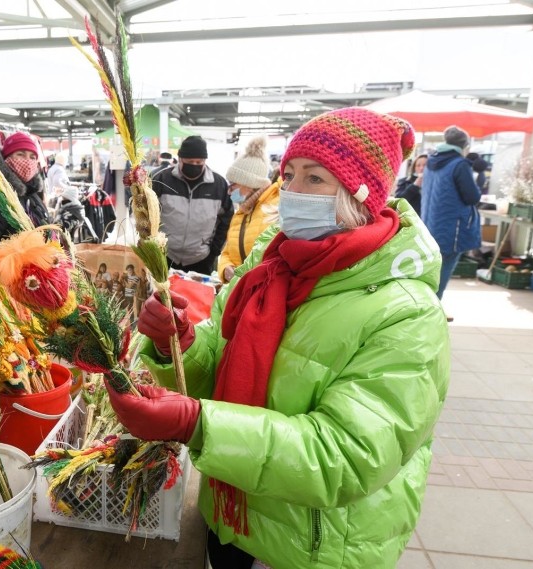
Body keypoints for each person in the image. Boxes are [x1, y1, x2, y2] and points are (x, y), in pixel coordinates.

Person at [107, 108, 450, 569]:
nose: (291, 192)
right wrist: (182, 343)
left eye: (314, 179)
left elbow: (346, 456)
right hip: (231, 516)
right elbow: (223, 357)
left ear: (361, 194)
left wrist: (196, 424)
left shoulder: (406, 312)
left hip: (310, 546)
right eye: (288, 175)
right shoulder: (271, 266)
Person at [151, 136, 233, 275]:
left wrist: (214, 250)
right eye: (189, 162)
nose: (194, 165)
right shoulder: (162, 180)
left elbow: (226, 219)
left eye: (199, 162)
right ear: (180, 159)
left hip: (201, 259)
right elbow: (147, 215)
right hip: (164, 256)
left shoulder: (218, 185)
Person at [420, 125, 482, 299]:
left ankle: (425, 307)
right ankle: (432, 311)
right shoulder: (459, 164)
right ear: (464, 145)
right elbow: (472, 196)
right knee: (442, 273)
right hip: (451, 229)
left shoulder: (432, 162)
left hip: (430, 225)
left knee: (430, 273)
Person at [218, 136, 282, 283]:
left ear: (249, 183)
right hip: (238, 289)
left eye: (233, 185)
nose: (229, 191)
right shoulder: (241, 212)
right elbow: (227, 251)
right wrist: (225, 268)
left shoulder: (275, 210)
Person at [0, 132, 49, 239]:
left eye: (32, 157)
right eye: (20, 154)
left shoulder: (31, 191)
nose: (27, 161)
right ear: (6, 158)